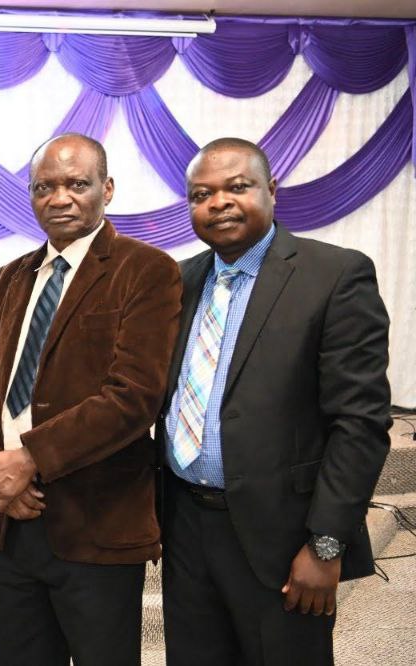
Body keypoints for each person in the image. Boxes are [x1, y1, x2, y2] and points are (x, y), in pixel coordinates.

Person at [159, 138, 391, 666]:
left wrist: (326, 543)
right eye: (201, 194)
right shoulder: (179, 281)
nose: (218, 202)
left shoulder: (333, 275)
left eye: (237, 187)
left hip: (283, 534)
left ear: (272, 190)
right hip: (186, 527)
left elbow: (359, 422)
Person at [0, 133, 182, 666]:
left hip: (97, 524)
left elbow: (134, 396)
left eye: (77, 184)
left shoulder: (146, 269)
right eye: (45, 187)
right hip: (12, 521)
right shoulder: (11, 278)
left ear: (107, 189)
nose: (60, 198)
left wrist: (28, 459)